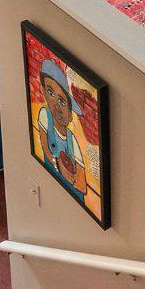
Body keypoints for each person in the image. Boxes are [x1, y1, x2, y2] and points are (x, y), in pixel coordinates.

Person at [33, 57, 89, 200]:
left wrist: (67, 172)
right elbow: (45, 146)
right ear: (43, 92)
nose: (57, 105)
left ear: (70, 115)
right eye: (50, 93)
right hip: (52, 184)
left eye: (62, 101)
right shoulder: (45, 115)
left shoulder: (72, 142)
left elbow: (82, 186)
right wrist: (58, 164)